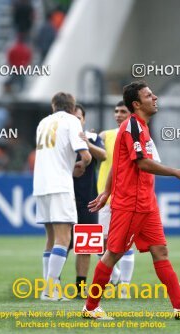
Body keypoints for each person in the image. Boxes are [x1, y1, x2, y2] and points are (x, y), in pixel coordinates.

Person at [82, 81, 180, 320]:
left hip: (145, 203)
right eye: (149, 95)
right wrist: (176, 172)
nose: (155, 97)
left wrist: (107, 191)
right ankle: (90, 308)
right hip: (131, 203)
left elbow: (119, 164)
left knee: (160, 250)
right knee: (113, 253)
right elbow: (141, 162)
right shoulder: (132, 127)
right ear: (137, 104)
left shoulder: (140, 127)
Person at [33, 92, 92, 301]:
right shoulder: (72, 121)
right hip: (60, 184)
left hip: (40, 185)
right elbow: (85, 155)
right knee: (64, 238)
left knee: (50, 238)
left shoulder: (43, 123)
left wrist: (71, 167)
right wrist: (82, 164)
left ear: (53, 106)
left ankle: (50, 288)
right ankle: (49, 290)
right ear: (71, 107)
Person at [96, 101, 135, 298]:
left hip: (125, 196)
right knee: (102, 243)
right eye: (116, 111)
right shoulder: (105, 135)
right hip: (104, 196)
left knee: (125, 242)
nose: (118, 114)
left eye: (123, 111)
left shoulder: (135, 136)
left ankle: (125, 287)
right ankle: (115, 273)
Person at [70, 104, 106, 298]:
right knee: (62, 242)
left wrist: (88, 144)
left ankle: (79, 289)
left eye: (79, 118)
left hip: (89, 199)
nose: (76, 121)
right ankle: (52, 285)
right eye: (72, 117)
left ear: (84, 120)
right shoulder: (61, 137)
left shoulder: (92, 138)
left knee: (85, 246)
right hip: (66, 197)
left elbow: (104, 155)